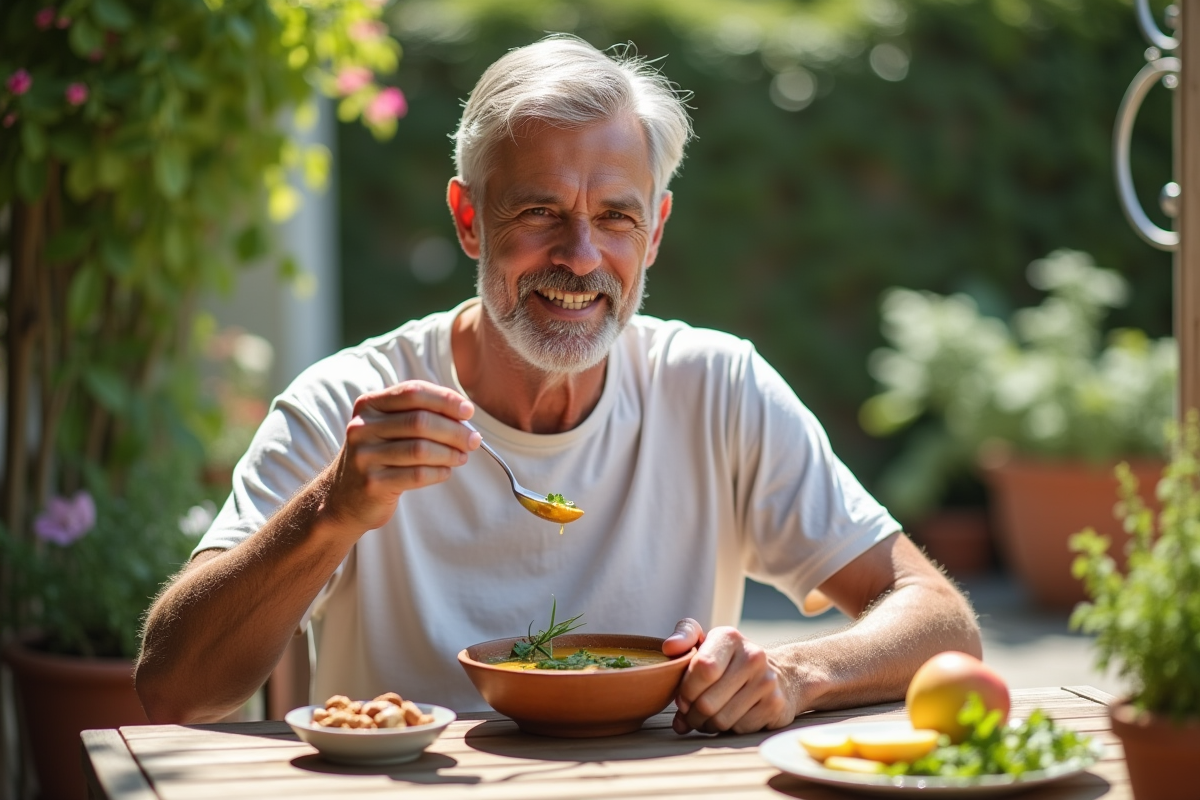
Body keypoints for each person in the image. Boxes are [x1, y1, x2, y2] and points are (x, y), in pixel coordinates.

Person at [136, 35, 981, 734]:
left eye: (615, 217)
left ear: (655, 233)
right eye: (540, 211)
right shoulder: (348, 405)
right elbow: (175, 691)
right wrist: (331, 512)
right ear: (470, 219)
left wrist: (796, 673)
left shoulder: (717, 389)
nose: (580, 257)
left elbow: (940, 621)